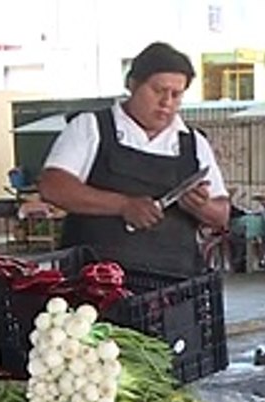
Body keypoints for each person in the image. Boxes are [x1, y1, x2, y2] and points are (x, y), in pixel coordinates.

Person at [38, 41, 229, 276]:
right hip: (94, 282)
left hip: (175, 284)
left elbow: (221, 215)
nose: (167, 102)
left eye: (176, 94)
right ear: (132, 84)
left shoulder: (194, 143)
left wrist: (201, 206)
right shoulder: (90, 127)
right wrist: (123, 205)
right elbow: (53, 186)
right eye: (158, 91)